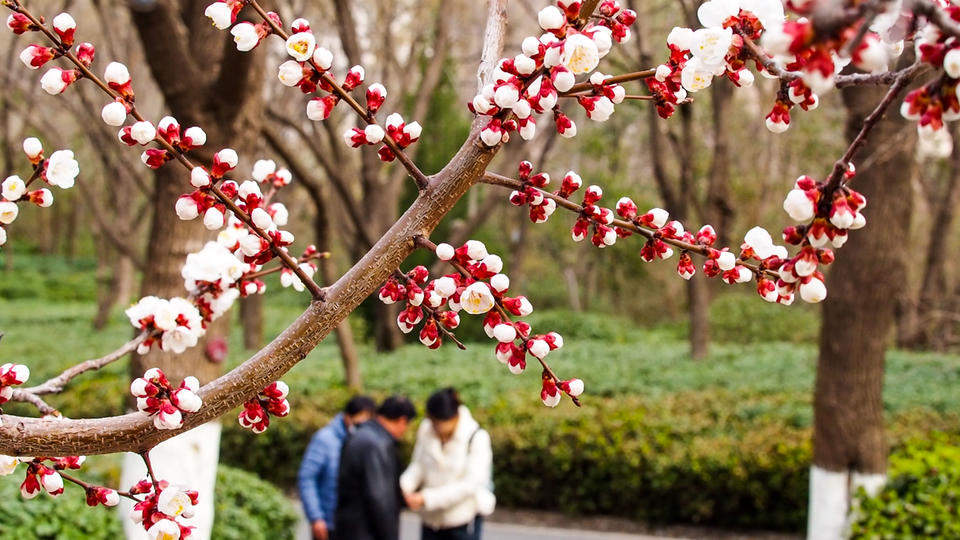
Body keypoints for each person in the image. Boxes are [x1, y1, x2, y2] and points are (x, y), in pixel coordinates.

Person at [400, 388, 495, 540]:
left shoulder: (476, 437)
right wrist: (404, 486)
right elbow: (418, 465)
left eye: (438, 423)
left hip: (462, 522)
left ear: (454, 417)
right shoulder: (427, 428)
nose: (434, 428)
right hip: (430, 521)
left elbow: (469, 485)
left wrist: (426, 498)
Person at [334, 395, 418, 540]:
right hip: (365, 531)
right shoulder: (377, 445)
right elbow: (380, 498)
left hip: (348, 528)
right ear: (402, 421)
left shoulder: (361, 434)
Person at [298, 395, 377, 540]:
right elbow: (307, 478)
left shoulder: (366, 442)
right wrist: (316, 517)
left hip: (354, 524)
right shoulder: (325, 439)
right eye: (359, 423)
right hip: (329, 523)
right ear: (347, 416)